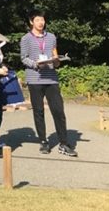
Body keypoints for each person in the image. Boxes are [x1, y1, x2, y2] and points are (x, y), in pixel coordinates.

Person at [20, 10, 77, 157]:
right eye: (38, 20)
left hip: (51, 78)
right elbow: (23, 58)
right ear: (31, 22)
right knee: (38, 111)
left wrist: (57, 61)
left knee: (58, 110)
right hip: (35, 78)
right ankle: (44, 142)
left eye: (43, 20)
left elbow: (54, 54)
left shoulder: (51, 37)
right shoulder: (26, 39)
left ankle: (64, 143)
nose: (41, 22)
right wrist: (35, 64)